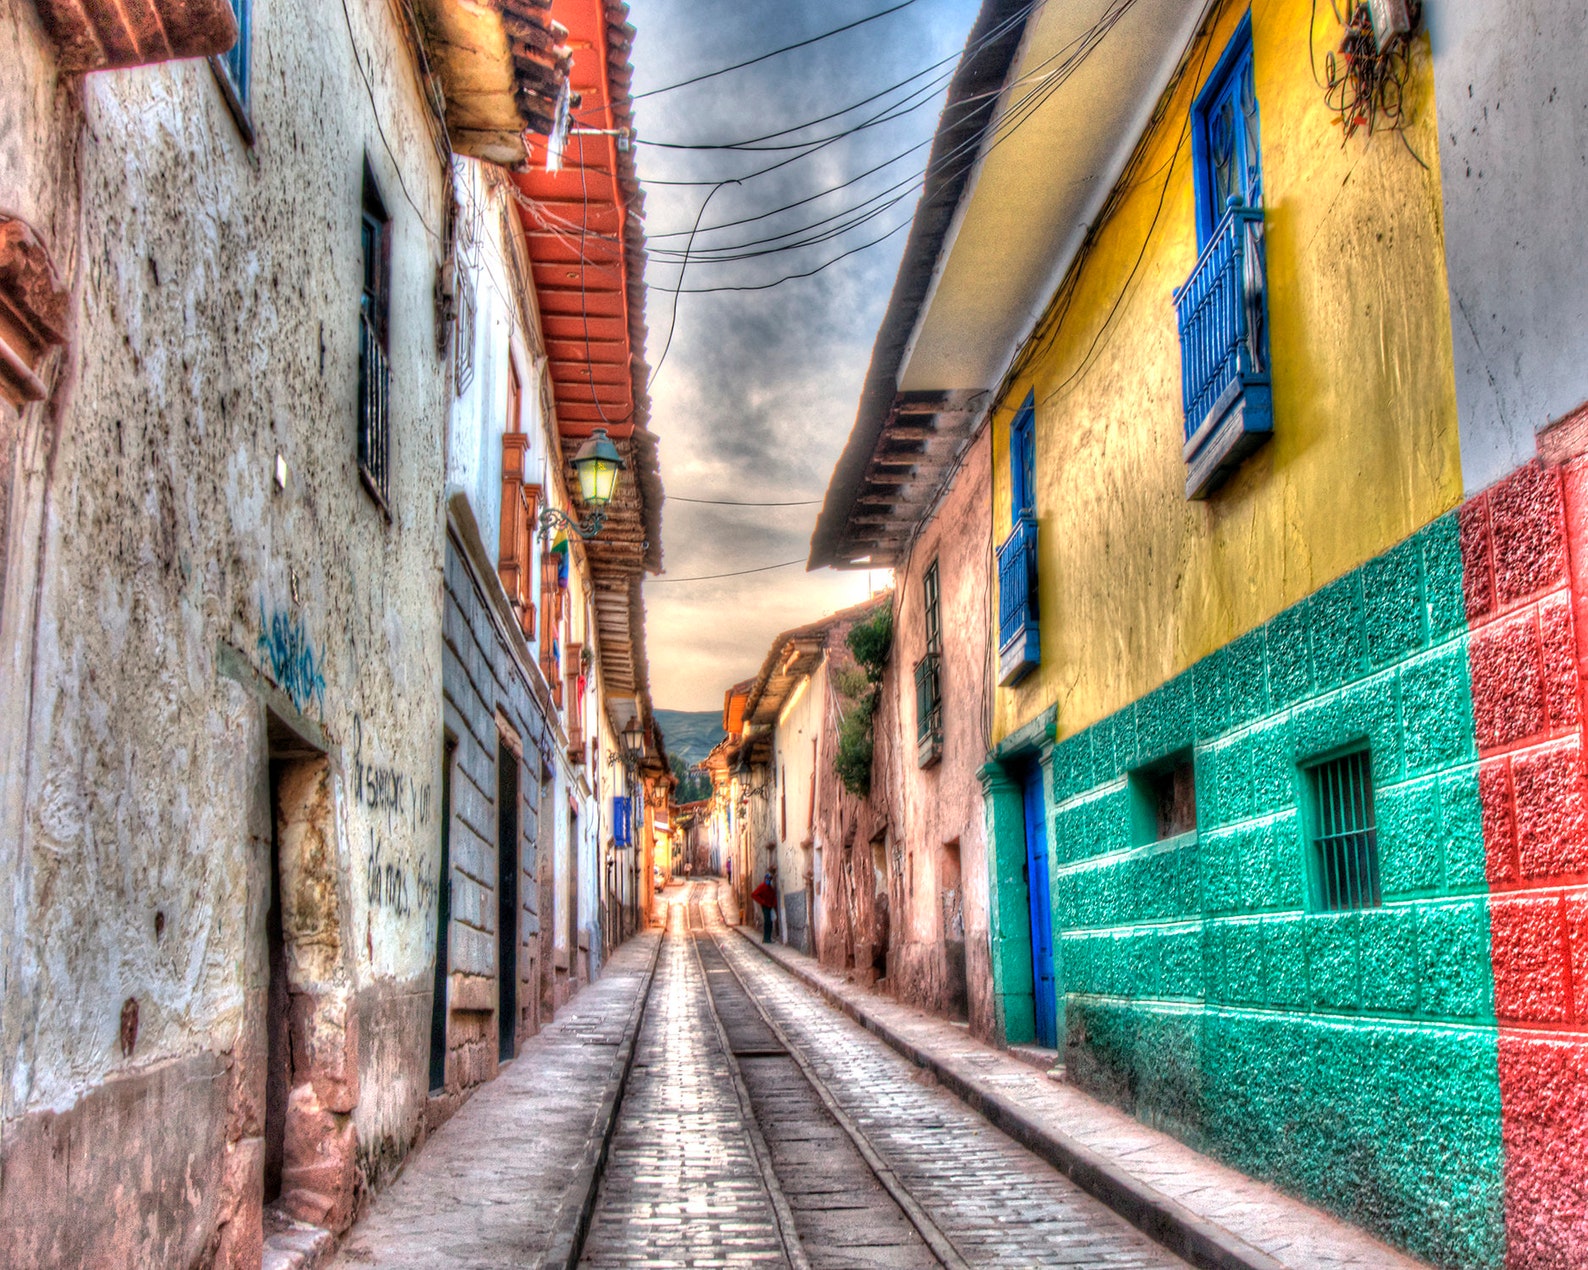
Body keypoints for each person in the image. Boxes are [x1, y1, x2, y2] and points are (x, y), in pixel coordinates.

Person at [751, 867, 778, 944]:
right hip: (765, 907)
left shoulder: (770, 888)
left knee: (770, 922)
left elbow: (773, 896)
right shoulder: (762, 886)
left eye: (770, 879)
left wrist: (773, 904)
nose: (768, 880)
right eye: (767, 879)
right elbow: (754, 894)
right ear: (765, 879)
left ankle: (768, 938)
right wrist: (762, 901)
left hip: (770, 907)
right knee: (767, 922)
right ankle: (766, 938)